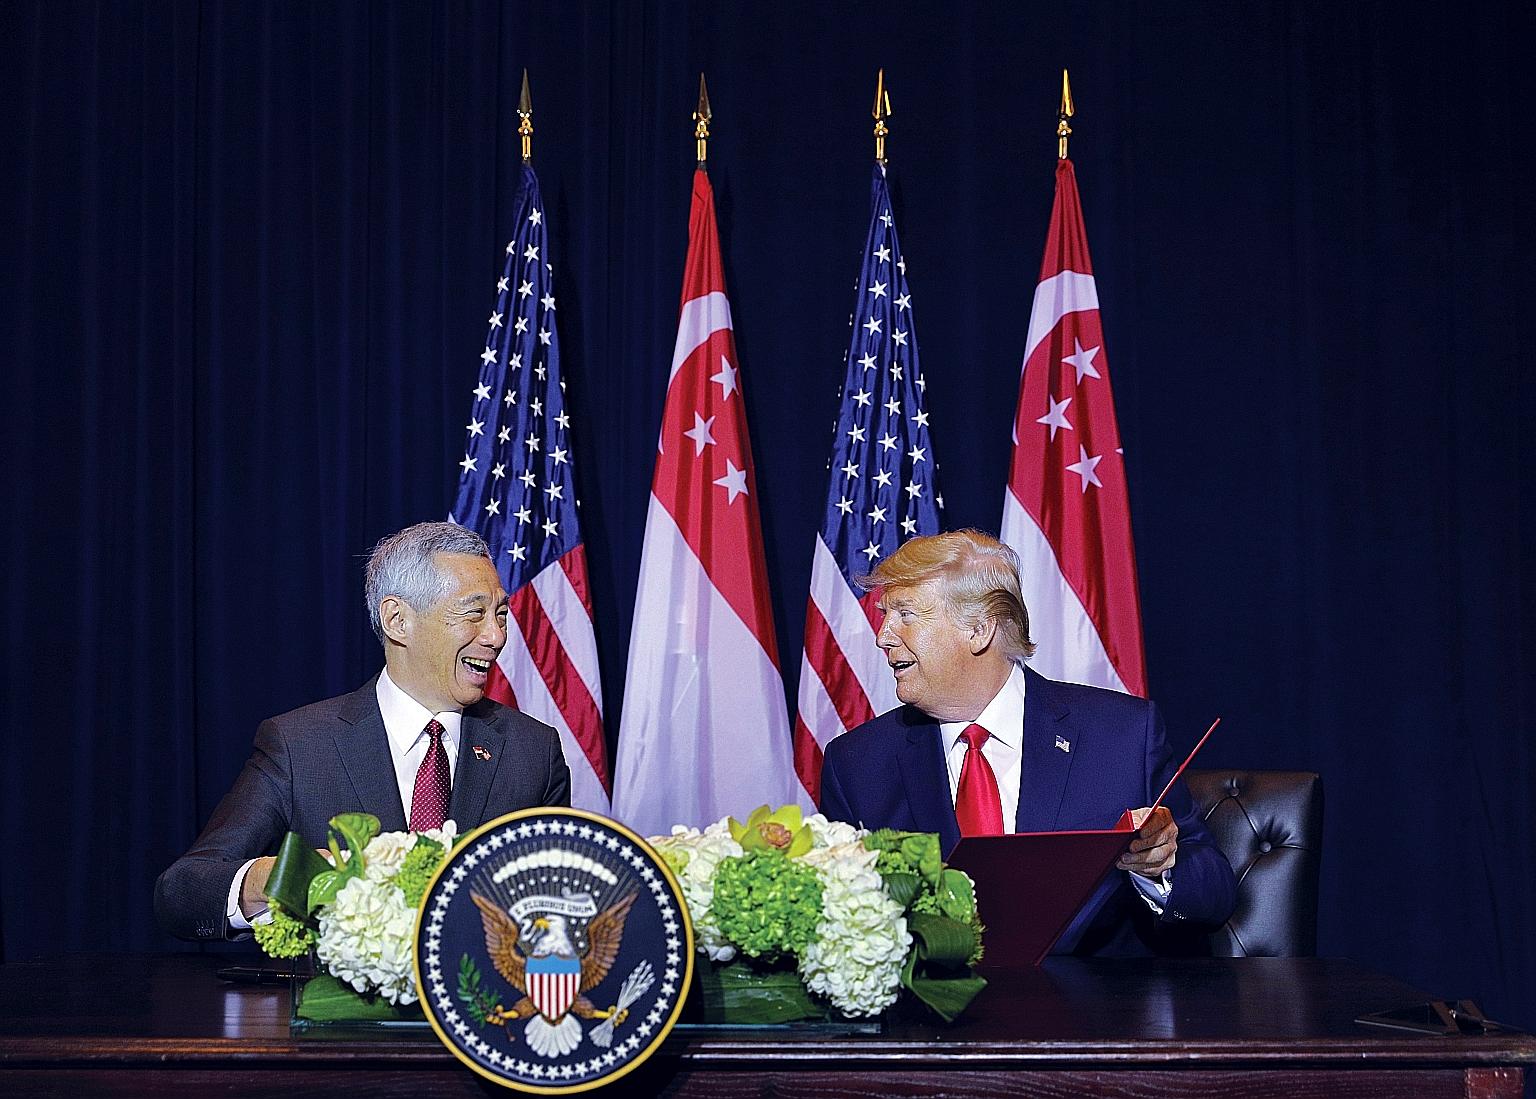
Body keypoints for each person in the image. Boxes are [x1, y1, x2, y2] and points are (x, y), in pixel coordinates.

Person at [818, 529, 1236, 956]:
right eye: (886, 615)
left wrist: (1160, 868)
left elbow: (1215, 894)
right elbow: (837, 924)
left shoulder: (1122, 736)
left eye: (905, 615)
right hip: (934, 1016)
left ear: (979, 630)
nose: (883, 636)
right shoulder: (857, 764)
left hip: (1096, 1014)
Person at [154, 521, 570, 942]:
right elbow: (182, 893)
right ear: (397, 620)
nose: (496, 636)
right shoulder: (299, 747)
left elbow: (560, 910)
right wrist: (281, 878)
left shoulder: (532, 751)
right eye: (474, 614)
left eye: (500, 614)